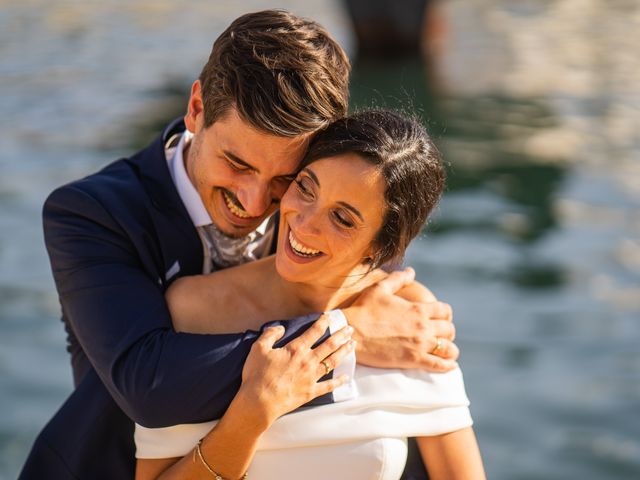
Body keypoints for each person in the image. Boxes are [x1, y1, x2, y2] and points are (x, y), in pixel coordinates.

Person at [20, 10, 458, 480]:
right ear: (196, 108)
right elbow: (147, 385)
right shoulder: (91, 213)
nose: (253, 202)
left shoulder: (327, 217)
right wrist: (347, 334)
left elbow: (406, 375)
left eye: (286, 177)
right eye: (237, 163)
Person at [134, 110, 485, 480]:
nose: (303, 222)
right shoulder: (195, 309)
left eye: (343, 219)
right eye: (305, 187)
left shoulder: (411, 312)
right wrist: (252, 414)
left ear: (380, 247)